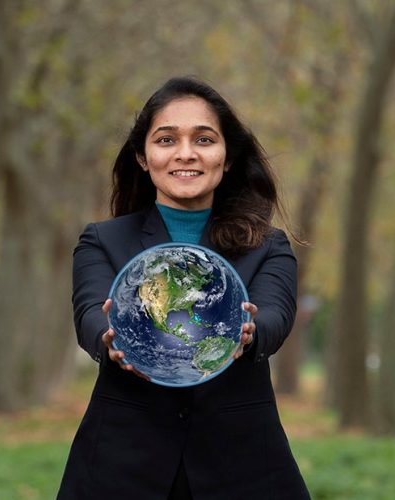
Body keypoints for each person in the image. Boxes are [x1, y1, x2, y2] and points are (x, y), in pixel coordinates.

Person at [57, 76, 310, 499]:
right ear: (143, 156)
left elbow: (274, 317)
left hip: (243, 466)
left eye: (204, 139)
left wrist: (250, 331)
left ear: (226, 157)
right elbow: (89, 315)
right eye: (166, 140)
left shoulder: (270, 246)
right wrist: (110, 339)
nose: (186, 153)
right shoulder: (102, 240)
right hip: (121, 467)